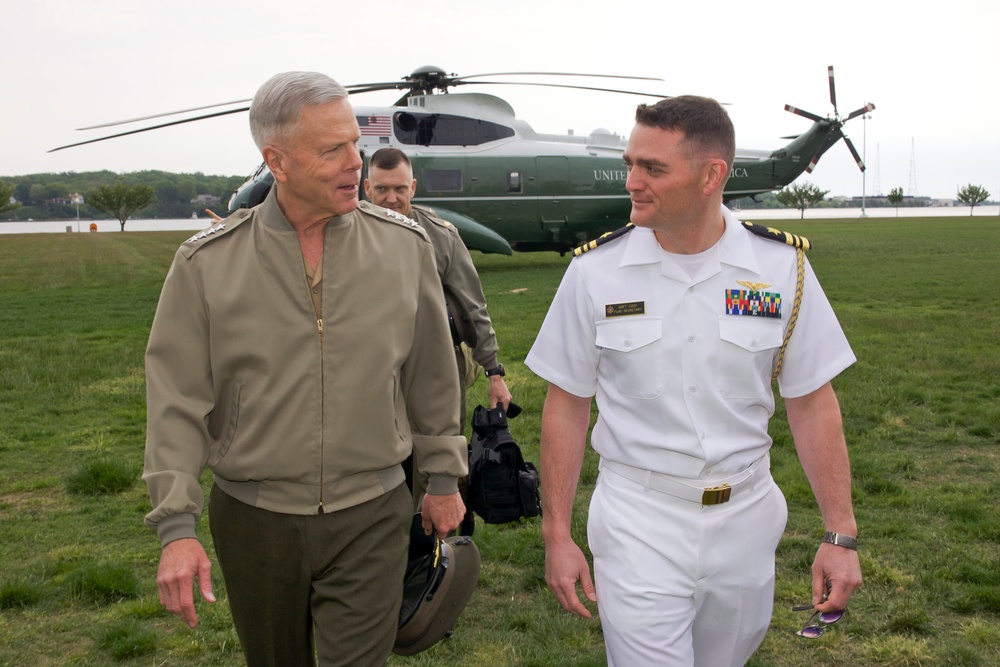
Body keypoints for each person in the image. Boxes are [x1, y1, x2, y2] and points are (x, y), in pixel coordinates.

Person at [143, 71, 467, 667]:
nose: (355, 163)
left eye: (354, 144)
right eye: (331, 150)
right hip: (254, 520)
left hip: (373, 511)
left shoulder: (404, 249)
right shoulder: (205, 266)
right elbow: (176, 403)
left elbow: (432, 375)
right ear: (277, 161)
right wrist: (177, 526)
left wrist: (443, 477)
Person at [524, 95, 861, 666]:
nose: (631, 181)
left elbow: (811, 403)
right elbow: (566, 407)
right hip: (638, 519)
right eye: (631, 162)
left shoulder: (781, 268)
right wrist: (556, 534)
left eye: (652, 168)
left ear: (712, 176)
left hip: (746, 520)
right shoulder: (594, 273)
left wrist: (840, 533)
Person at [364, 148, 512, 509]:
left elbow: (473, 305)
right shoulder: (345, 232)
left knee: (439, 452)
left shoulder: (440, 235)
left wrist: (494, 370)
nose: (391, 198)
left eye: (399, 188)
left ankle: (439, 541)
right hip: (370, 366)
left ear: (413, 187)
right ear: (367, 188)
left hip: (435, 365)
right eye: (382, 189)